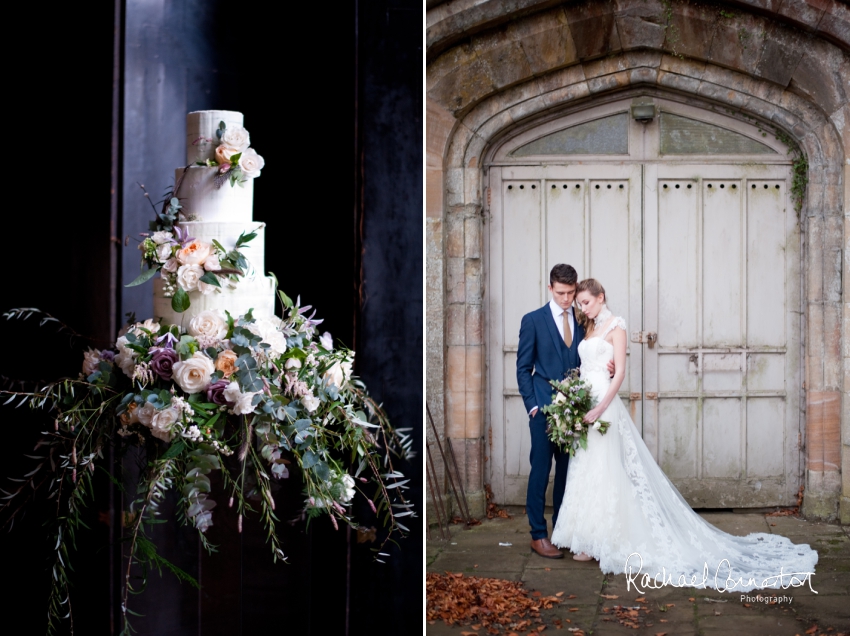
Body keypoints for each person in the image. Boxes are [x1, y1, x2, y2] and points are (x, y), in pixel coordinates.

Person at [551, 278, 818, 591]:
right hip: (585, 401)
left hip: (604, 407)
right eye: (579, 303)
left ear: (601, 297)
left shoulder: (616, 326)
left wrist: (599, 408)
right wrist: (572, 398)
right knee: (587, 468)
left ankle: (611, 538)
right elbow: (588, 366)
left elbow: (620, 372)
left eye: (585, 302)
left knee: (608, 470)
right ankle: (588, 539)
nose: (581, 308)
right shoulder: (589, 327)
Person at [516, 264, 613, 558]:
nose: (566, 299)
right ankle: (538, 534)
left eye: (571, 293)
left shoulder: (583, 319)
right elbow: (523, 368)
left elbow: (593, 351)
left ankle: (562, 528)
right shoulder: (533, 320)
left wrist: (606, 363)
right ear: (550, 289)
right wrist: (533, 407)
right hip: (544, 409)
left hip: (575, 409)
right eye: (561, 293)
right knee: (541, 470)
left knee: (568, 472)